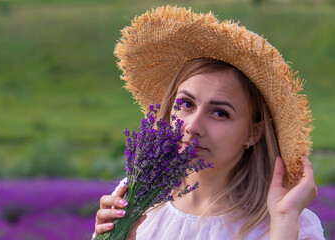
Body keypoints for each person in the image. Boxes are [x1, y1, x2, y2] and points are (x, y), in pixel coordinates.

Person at [93, 5, 325, 240]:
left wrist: (284, 221)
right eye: (185, 104)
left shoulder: (291, 225)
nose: (193, 127)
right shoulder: (137, 197)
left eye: (220, 113)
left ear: (254, 133)